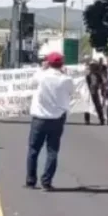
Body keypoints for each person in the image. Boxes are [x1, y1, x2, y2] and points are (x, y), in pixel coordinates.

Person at [25, 52, 76, 190]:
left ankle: (31, 180)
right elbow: (72, 91)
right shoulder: (66, 79)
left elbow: (29, 84)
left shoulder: (42, 75)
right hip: (57, 118)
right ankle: (46, 181)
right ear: (62, 64)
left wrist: (42, 69)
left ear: (48, 63)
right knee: (52, 151)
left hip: (39, 118)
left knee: (34, 150)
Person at [84, 61, 107, 125]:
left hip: (96, 92)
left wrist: (102, 89)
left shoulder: (98, 75)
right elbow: (86, 84)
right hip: (88, 92)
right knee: (87, 105)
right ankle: (87, 120)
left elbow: (102, 82)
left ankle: (101, 119)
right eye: (91, 66)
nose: (92, 67)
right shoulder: (88, 75)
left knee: (98, 106)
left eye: (93, 66)